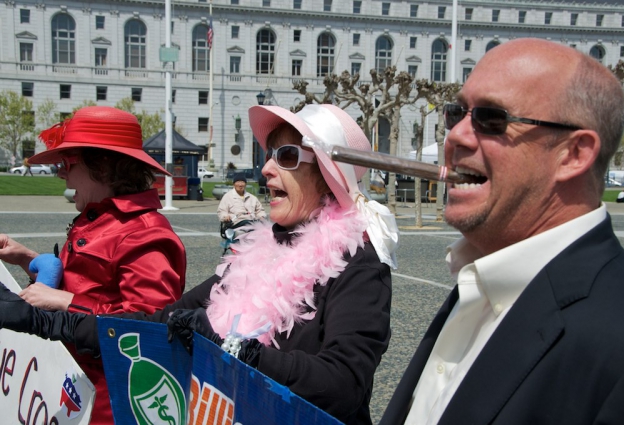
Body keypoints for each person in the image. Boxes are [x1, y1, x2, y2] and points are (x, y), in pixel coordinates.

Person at [0, 104, 399, 425]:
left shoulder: (360, 266)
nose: (265, 168)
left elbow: (344, 384)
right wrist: (43, 321)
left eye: (287, 156)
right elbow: (156, 323)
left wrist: (235, 351)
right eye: (268, 155)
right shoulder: (255, 253)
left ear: (327, 176)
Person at [378, 38, 624, 425]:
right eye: (456, 113)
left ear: (573, 154)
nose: (456, 135)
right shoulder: (481, 278)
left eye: (491, 119)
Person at [0, 106, 187, 425]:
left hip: (106, 403)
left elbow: (150, 328)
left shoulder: (145, 234)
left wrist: (67, 301)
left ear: (102, 167)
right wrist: (27, 258)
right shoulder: (103, 217)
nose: (61, 174)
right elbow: (84, 283)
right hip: (70, 385)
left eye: (67, 163)